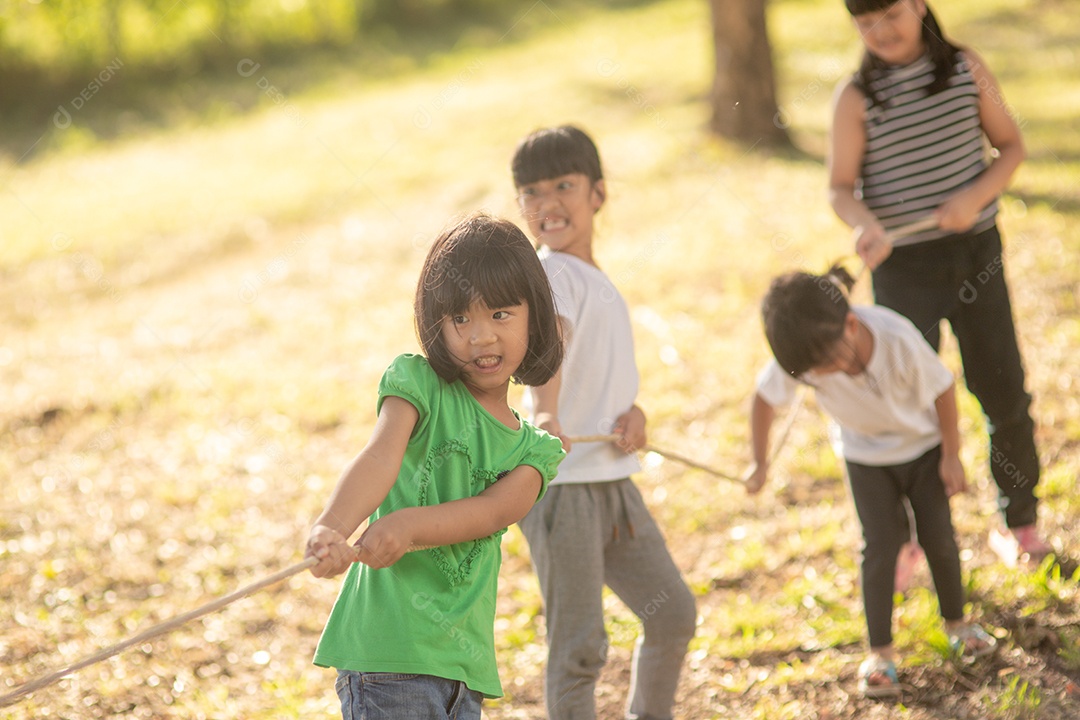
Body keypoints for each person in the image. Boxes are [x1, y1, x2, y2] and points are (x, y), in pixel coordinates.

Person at [304, 212, 567, 720]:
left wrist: (407, 525)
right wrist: (332, 528)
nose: (481, 337)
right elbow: (379, 458)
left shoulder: (535, 451)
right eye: (461, 319)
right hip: (387, 655)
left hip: (461, 670)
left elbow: (492, 511)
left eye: (501, 315)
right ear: (436, 324)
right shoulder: (419, 385)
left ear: (534, 315)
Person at [828, 0, 1051, 567]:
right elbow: (840, 189)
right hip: (904, 269)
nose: (881, 31)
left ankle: (1019, 523)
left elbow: (1012, 147)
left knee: (1002, 388)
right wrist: (867, 224)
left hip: (976, 254)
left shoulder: (966, 70)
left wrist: (974, 198)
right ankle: (914, 540)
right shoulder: (856, 98)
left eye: (892, 15)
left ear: (921, 5)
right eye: (865, 22)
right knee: (909, 404)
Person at [512, 125, 697, 720]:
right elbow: (549, 346)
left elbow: (603, 372)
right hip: (564, 490)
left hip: (611, 480)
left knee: (671, 615)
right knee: (580, 648)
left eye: (564, 185)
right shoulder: (554, 275)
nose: (548, 203)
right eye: (532, 192)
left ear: (597, 193)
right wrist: (545, 412)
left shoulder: (590, 276)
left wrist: (633, 414)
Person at [746, 265, 997, 699]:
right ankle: (880, 653)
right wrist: (759, 462)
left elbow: (943, 388)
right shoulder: (804, 356)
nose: (829, 373)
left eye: (832, 361)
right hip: (864, 458)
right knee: (878, 547)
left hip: (922, 451)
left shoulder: (896, 338)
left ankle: (958, 624)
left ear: (851, 323)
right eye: (815, 371)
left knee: (939, 537)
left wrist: (952, 456)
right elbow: (764, 400)